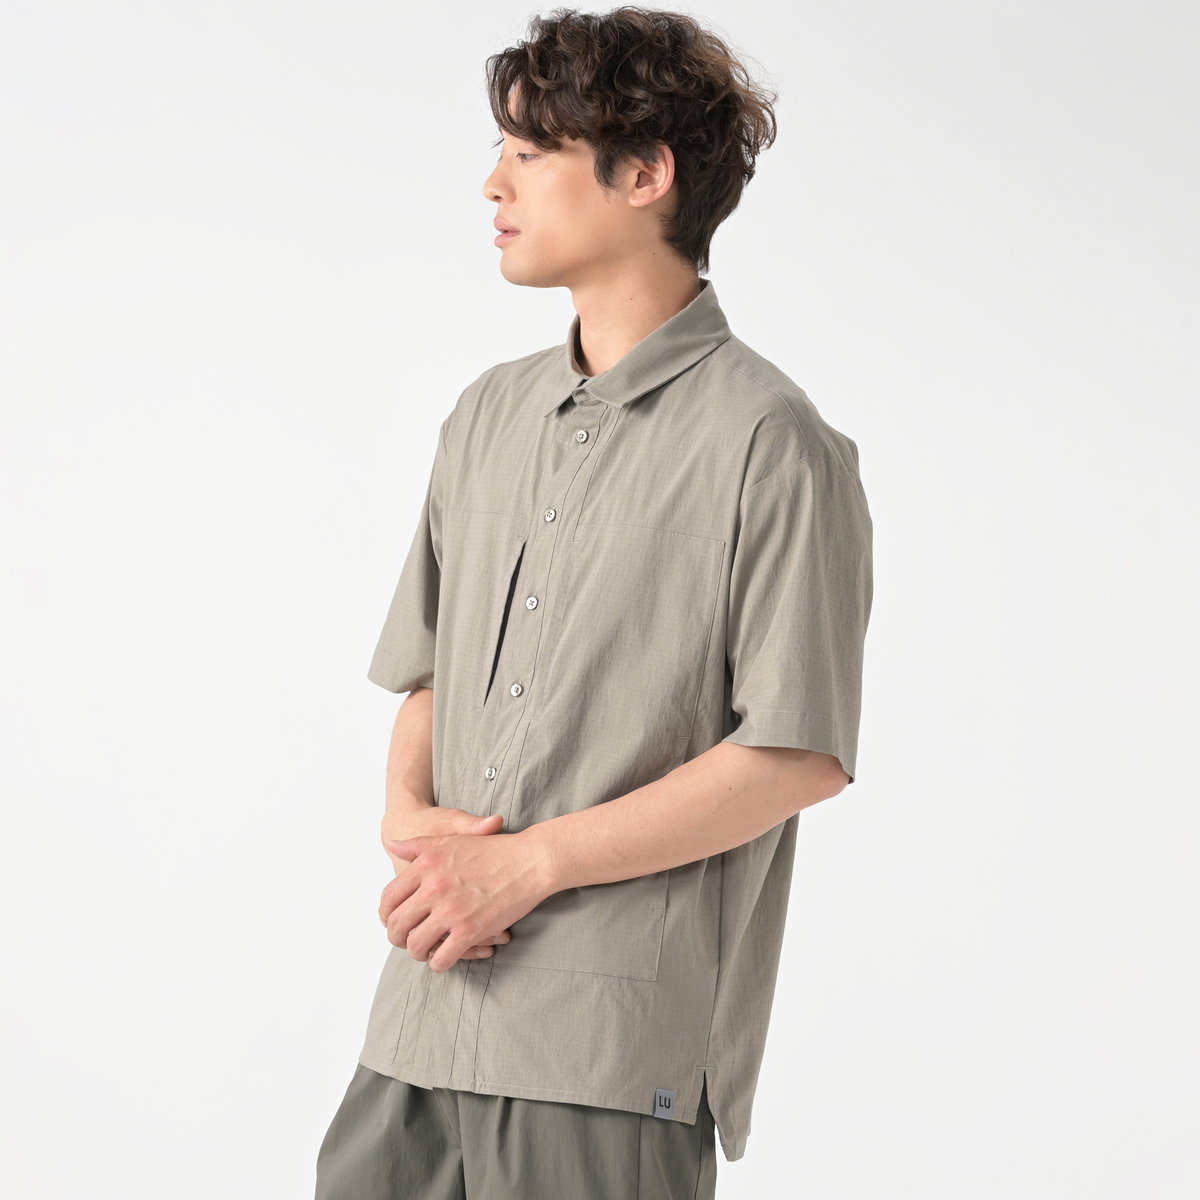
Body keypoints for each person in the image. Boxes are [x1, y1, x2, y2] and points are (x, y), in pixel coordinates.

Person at [315, 7, 872, 1198]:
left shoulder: (773, 443)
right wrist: (408, 814)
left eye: (529, 152)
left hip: (606, 1054)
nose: (493, 184)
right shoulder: (486, 415)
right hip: (418, 1021)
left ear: (644, 174)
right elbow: (428, 670)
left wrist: (529, 867)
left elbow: (797, 753)